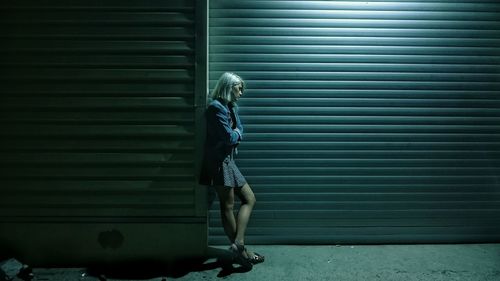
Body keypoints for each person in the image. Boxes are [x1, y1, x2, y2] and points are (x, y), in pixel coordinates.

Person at [200, 72, 264, 268]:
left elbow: (239, 130)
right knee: (227, 205)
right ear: (229, 86)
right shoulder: (215, 108)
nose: (241, 93)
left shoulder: (230, 107)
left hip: (227, 160)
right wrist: (236, 133)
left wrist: (236, 133)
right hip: (218, 162)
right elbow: (230, 137)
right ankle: (241, 252)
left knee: (249, 199)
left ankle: (238, 244)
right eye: (239, 88)